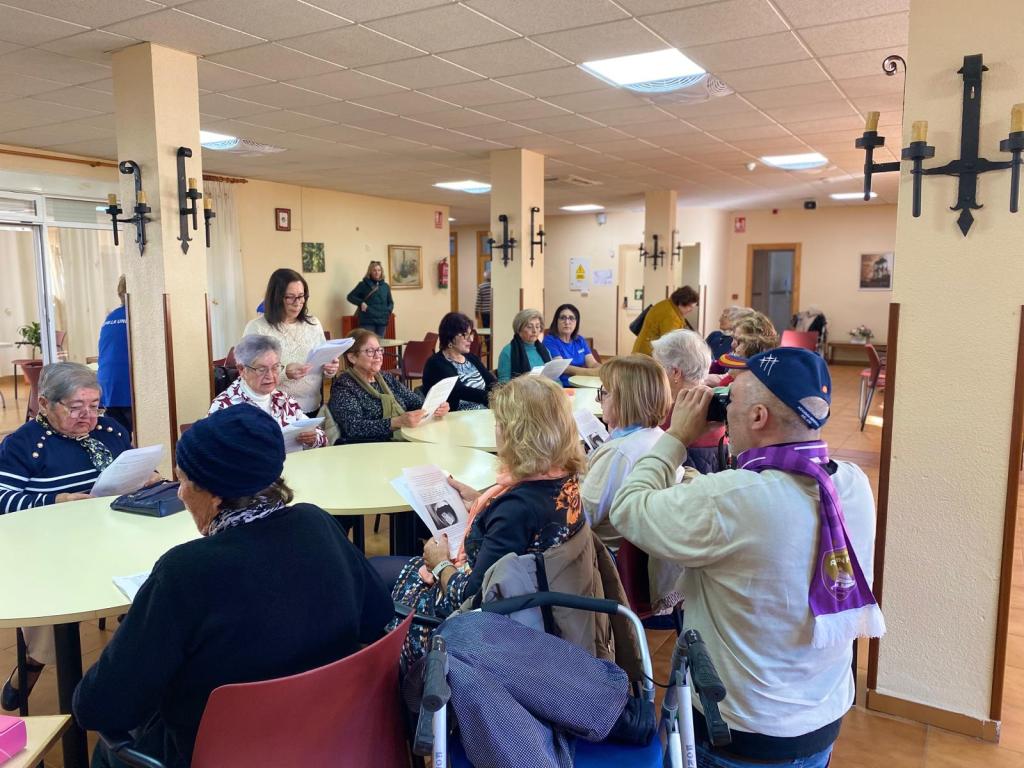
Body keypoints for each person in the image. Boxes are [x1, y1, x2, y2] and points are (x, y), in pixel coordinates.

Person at [73, 406, 392, 768]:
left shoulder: (185, 571)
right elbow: (377, 615)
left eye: (184, 481)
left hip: (221, 751)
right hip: (332, 734)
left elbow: (100, 707)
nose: (180, 494)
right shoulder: (316, 523)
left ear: (215, 495)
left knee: (108, 751)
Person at [610, 348, 884, 767]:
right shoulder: (853, 483)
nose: (723, 410)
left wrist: (676, 436)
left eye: (730, 400)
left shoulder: (730, 500)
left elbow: (628, 508)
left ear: (758, 416)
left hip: (739, 732)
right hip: (822, 717)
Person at [391, 375, 586, 656]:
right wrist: (479, 502)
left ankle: (381, 663)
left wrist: (439, 563)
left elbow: (472, 598)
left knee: (373, 575)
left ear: (517, 434)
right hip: (542, 609)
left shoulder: (517, 509)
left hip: (476, 634)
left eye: (499, 422)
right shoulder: (563, 480)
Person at [1, 362, 132, 712]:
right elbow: (2, 500)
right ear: (45, 404)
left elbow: (126, 469)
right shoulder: (23, 445)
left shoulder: (110, 430)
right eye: (75, 407)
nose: (88, 416)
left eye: (94, 406)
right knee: (54, 591)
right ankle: (33, 662)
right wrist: (55, 500)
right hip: (48, 547)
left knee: (154, 579)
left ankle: (129, 660)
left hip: (111, 538)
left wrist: (145, 477)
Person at [580, 355, 681, 615]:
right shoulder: (661, 439)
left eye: (604, 392)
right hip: (646, 563)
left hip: (609, 565)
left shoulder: (619, 453)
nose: (599, 400)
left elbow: (580, 518)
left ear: (625, 399)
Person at [244, 269, 339, 418]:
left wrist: (330, 369)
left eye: (301, 296)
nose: (298, 303)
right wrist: (283, 373)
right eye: (290, 297)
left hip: (312, 407)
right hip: (273, 411)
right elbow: (248, 373)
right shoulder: (257, 328)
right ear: (276, 297)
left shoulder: (313, 324)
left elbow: (322, 363)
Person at [329, 329, 448, 443]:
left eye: (379, 350)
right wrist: (396, 422)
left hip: (402, 439)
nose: (378, 356)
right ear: (352, 357)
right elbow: (353, 427)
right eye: (370, 351)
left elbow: (415, 401)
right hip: (371, 448)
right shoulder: (344, 386)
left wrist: (435, 407)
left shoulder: (386, 377)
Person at [209, 334, 326, 449]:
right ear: (242, 370)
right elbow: (210, 451)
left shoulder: (283, 400)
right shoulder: (224, 406)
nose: (270, 376)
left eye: (275, 367)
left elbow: (322, 438)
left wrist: (313, 439)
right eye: (261, 369)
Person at [651, 329, 727, 474]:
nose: (654, 374)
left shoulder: (669, 414)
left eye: (658, 367)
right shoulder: (715, 405)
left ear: (675, 372)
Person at [422, 312, 496, 411]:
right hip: (455, 417)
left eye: (471, 334)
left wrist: (506, 391)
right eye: (465, 335)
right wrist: (494, 397)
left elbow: (492, 382)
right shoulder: (436, 363)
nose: (471, 339)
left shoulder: (471, 358)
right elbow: (460, 390)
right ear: (450, 337)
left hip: (481, 413)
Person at [97, 274, 132, 435]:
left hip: (107, 385)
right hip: (127, 386)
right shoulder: (136, 316)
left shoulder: (111, 317)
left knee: (119, 436)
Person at [543, 303, 601, 387]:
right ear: (556, 321)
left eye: (571, 318)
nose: (567, 322)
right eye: (563, 318)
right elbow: (564, 368)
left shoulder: (580, 340)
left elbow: (592, 363)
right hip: (562, 386)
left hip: (583, 384)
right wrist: (592, 372)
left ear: (576, 322)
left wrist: (603, 369)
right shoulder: (550, 340)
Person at [632, 285, 699, 356]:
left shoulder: (668, 304)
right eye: (690, 307)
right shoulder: (671, 316)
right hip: (648, 354)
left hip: (643, 350)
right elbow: (670, 345)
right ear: (682, 302)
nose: (691, 310)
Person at [497, 308, 550, 382]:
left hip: (546, 387)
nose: (534, 331)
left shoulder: (545, 350)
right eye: (529, 327)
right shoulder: (508, 352)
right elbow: (503, 383)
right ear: (519, 329)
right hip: (521, 389)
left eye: (537, 327)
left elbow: (554, 378)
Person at [346, 260, 394, 336]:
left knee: (380, 342)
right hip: (367, 321)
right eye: (374, 270)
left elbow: (390, 302)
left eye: (379, 270)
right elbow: (350, 297)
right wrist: (361, 303)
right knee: (368, 342)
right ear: (370, 272)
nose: (377, 272)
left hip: (382, 321)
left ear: (381, 272)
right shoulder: (363, 285)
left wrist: (387, 311)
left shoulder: (385, 286)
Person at [475, 262, 491, 329]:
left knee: (486, 328)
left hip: (484, 312)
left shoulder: (481, 286)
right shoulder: (494, 286)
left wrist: (476, 311)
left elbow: (478, 300)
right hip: (493, 310)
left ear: (485, 277)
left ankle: (486, 336)